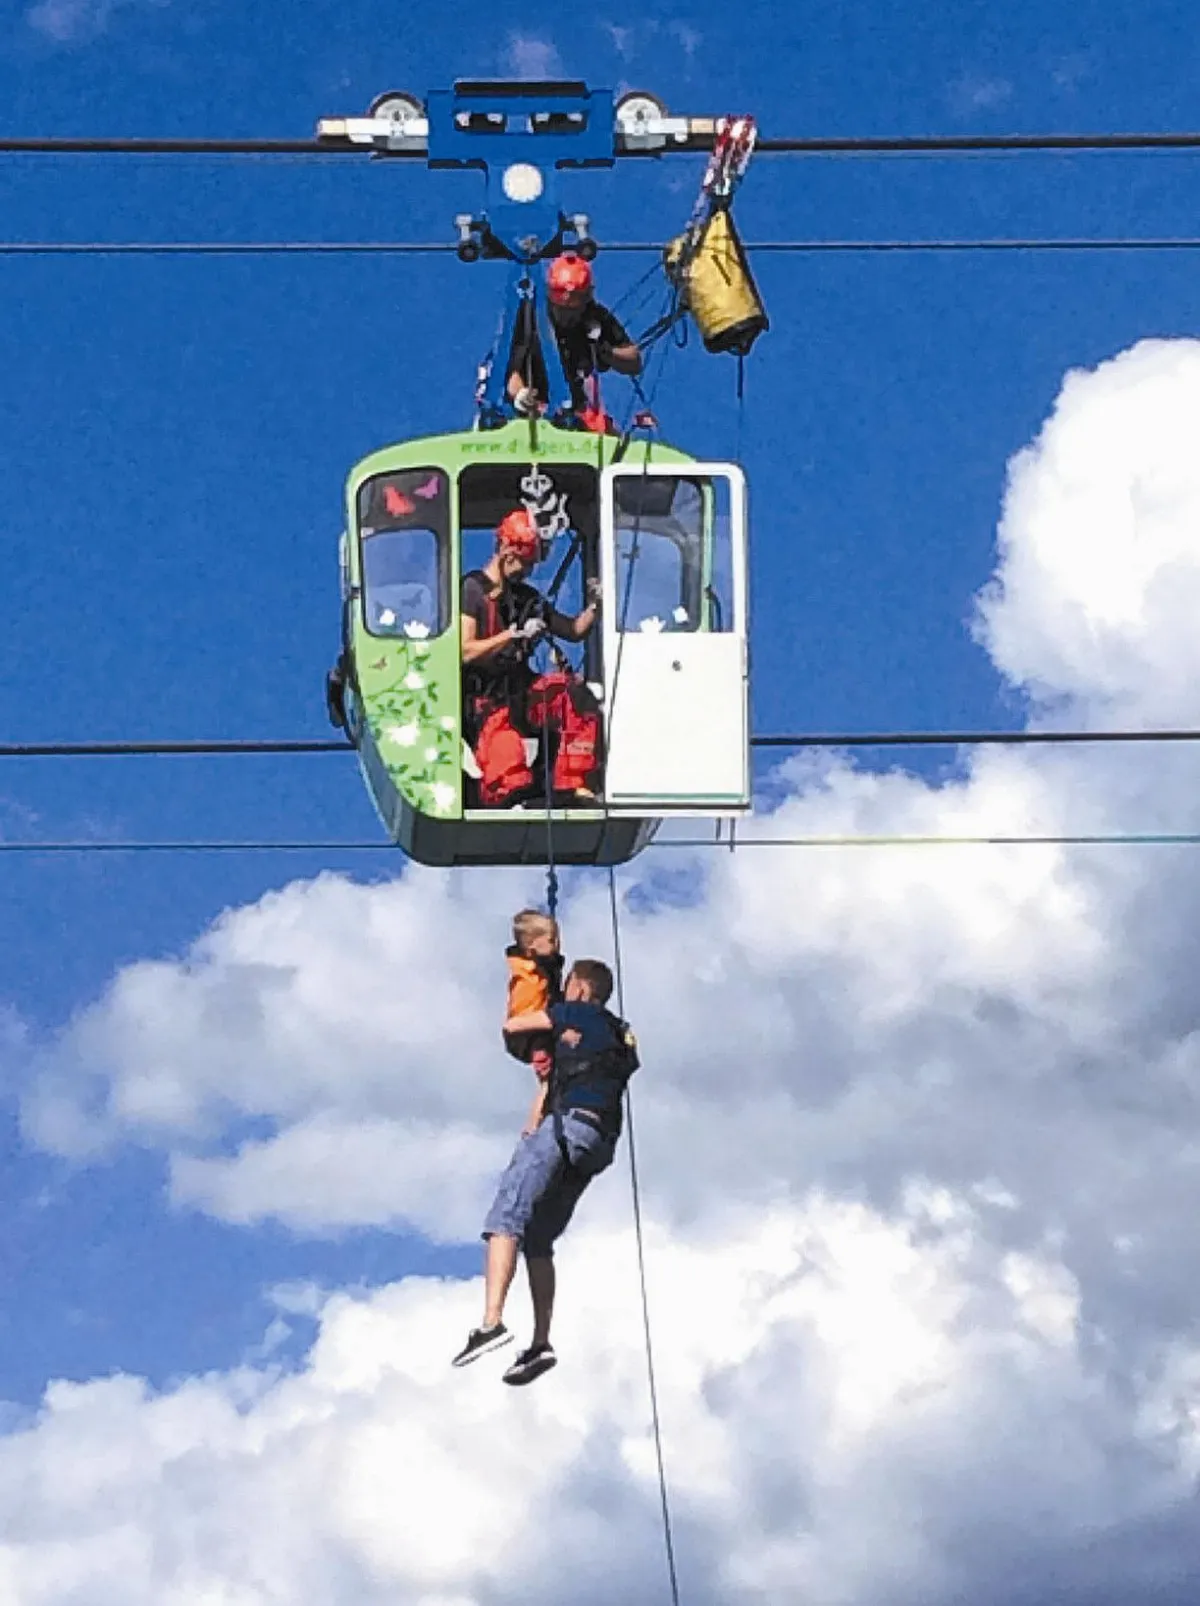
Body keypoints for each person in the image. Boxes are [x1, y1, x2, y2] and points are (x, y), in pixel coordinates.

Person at [452, 959, 639, 1385]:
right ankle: (540, 1343)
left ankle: (491, 1322)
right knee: (539, 1238)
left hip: (568, 1123)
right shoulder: (618, 1034)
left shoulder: (574, 1012)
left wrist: (549, 1005)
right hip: (597, 1141)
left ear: (577, 987)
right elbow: (560, 1077)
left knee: (506, 1215)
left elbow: (514, 1026)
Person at [461, 507, 603, 807]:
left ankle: (573, 784)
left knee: (574, 698)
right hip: (487, 698)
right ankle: (508, 794)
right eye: (524, 563)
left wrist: (596, 607)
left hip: (522, 691)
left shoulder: (527, 599)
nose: (528, 571)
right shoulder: (473, 590)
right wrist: (512, 636)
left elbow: (573, 630)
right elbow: (466, 650)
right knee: (508, 769)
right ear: (506, 550)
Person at [507, 253, 642, 426]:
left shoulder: (594, 317)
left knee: (599, 427)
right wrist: (520, 395)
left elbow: (633, 360)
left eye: (574, 311)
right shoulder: (528, 316)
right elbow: (510, 369)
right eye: (560, 310)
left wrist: (606, 352)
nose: (566, 317)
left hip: (572, 410)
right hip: (528, 405)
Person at [504, 908, 563, 1103]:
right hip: (525, 1031)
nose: (557, 945)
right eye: (552, 940)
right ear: (531, 946)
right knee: (544, 1046)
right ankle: (542, 1061)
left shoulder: (539, 965)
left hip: (530, 1026)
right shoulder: (529, 973)